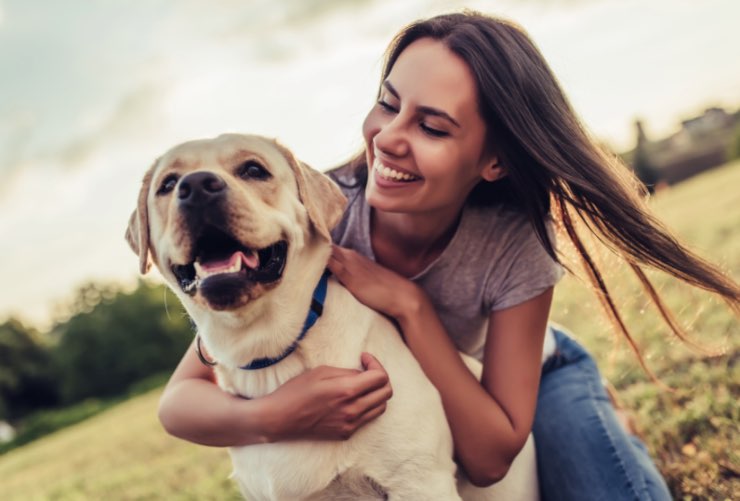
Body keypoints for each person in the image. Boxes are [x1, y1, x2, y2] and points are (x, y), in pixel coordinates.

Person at [158, 12, 739, 500]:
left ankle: (606, 420)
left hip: (534, 381)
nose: (388, 139)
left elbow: (488, 458)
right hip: (438, 413)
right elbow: (181, 400)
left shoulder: (514, 242)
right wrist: (275, 416)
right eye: (388, 104)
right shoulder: (316, 217)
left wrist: (411, 306)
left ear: (495, 162)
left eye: (431, 127)